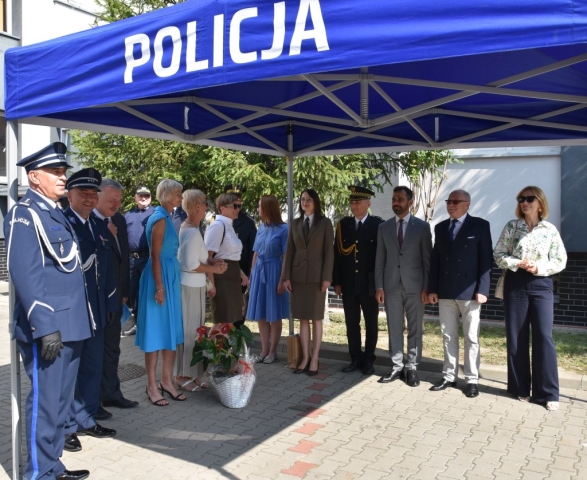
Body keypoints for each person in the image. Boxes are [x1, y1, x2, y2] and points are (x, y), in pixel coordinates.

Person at [4, 142, 93, 480]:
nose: (62, 177)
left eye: (63, 171)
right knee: (45, 404)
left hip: (72, 324)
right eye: (55, 172)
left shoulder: (55, 212)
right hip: (50, 327)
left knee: (59, 404)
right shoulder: (24, 214)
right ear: (33, 177)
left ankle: (53, 466)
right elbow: (25, 273)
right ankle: (37, 474)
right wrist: (44, 326)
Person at [493, 186, 567, 411]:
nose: (525, 202)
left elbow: (560, 259)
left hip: (542, 284)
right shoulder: (512, 227)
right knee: (516, 336)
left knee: (544, 337)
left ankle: (548, 393)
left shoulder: (550, 229)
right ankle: (520, 388)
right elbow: (498, 254)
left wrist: (540, 266)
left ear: (540, 203)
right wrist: (517, 263)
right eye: (521, 199)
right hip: (515, 284)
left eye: (529, 199)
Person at [63, 169, 118, 453]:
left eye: (92, 193)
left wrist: (110, 303)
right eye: (82, 193)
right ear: (69, 195)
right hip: (73, 311)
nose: (88, 198)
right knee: (68, 371)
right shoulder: (63, 223)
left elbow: (106, 269)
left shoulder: (97, 226)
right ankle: (65, 427)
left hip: (96, 309)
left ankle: (85, 417)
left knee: (92, 366)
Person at [428, 190, 493, 398]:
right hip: (446, 290)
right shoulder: (440, 227)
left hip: (470, 292)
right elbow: (435, 261)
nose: (451, 205)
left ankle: (472, 379)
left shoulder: (480, 226)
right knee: (448, 336)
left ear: (468, 204)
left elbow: (486, 260)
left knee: (471, 337)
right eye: (449, 201)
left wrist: (483, 289)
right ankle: (449, 375)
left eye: (456, 202)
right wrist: (433, 289)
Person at [375, 186, 432, 387]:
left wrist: (426, 287)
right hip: (390, 286)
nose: (395, 203)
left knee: (415, 328)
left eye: (399, 199)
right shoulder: (384, 228)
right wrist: (379, 286)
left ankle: (412, 367)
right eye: (393, 199)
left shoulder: (422, 227)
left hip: (415, 287)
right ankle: (397, 365)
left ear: (410, 202)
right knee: (394, 327)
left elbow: (427, 260)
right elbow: (379, 260)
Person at [136, 179, 185, 406]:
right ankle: (151, 385)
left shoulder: (166, 216)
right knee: (156, 333)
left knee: (170, 331)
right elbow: (155, 255)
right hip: (160, 278)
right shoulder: (160, 219)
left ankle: (166, 381)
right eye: (178, 193)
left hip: (168, 277)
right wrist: (159, 286)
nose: (181, 197)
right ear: (166, 194)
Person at [93, 179, 139, 419]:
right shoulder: (89, 221)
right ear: (97, 198)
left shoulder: (119, 220)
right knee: (94, 352)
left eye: (120, 201)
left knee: (112, 349)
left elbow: (123, 260)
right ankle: (92, 401)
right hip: (95, 300)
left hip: (115, 298)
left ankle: (112, 393)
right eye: (112, 201)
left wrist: (124, 293)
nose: (117, 205)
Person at [175, 189, 227, 391]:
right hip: (188, 286)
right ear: (197, 207)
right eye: (205, 203)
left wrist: (212, 261)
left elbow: (199, 258)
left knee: (196, 331)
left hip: (194, 286)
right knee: (189, 332)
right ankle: (181, 375)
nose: (207, 207)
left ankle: (194, 373)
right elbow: (189, 264)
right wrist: (212, 269)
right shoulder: (190, 231)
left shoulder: (192, 229)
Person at [282, 189, 334, 376]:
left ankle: (315, 358)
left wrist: (327, 277)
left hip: (317, 277)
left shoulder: (325, 223)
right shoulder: (295, 223)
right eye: (303, 199)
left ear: (316, 202)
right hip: (297, 277)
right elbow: (289, 251)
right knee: (302, 318)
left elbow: (329, 252)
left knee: (316, 318)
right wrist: (286, 276)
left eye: (309, 200)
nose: (305, 202)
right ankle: (304, 357)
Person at [333, 186, 383, 376]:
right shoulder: (343, 225)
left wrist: (380, 285)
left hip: (369, 284)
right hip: (349, 283)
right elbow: (338, 254)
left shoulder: (378, 225)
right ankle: (355, 358)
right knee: (351, 323)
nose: (353, 206)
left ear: (368, 204)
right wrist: (336, 281)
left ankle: (369, 359)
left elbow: (381, 258)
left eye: (357, 202)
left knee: (371, 323)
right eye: (352, 202)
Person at [246, 195, 289, 363]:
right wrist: (251, 274)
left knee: (274, 313)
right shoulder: (262, 227)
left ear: (268, 208)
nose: (258, 209)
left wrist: (282, 280)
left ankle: (273, 351)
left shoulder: (284, 229)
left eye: (259, 206)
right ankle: (264, 350)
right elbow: (256, 252)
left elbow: (286, 256)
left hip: (274, 271)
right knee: (262, 313)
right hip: (259, 271)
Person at [204, 192, 250, 324]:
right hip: (222, 278)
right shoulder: (218, 225)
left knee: (230, 321)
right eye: (235, 206)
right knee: (222, 321)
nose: (238, 209)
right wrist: (211, 285)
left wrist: (241, 273)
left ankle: (224, 345)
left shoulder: (229, 225)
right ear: (222, 208)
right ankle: (211, 345)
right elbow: (208, 256)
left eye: (240, 206)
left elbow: (231, 255)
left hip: (232, 275)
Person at [224, 184, 257, 329]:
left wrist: (250, 273)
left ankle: (235, 340)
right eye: (233, 203)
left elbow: (252, 251)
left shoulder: (248, 223)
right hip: (222, 273)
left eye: (238, 203)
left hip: (241, 274)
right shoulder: (218, 221)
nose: (236, 207)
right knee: (223, 310)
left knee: (237, 310)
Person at [123, 185, 154, 336]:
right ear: (135, 197)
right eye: (140, 196)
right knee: (133, 292)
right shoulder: (128, 215)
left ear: (151, 198)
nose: (143, 198)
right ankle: (137, 323)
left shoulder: (155, 214)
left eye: (146, 196)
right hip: (131, 260)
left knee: (148, 291)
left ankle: (149, 324)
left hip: (148, 258)